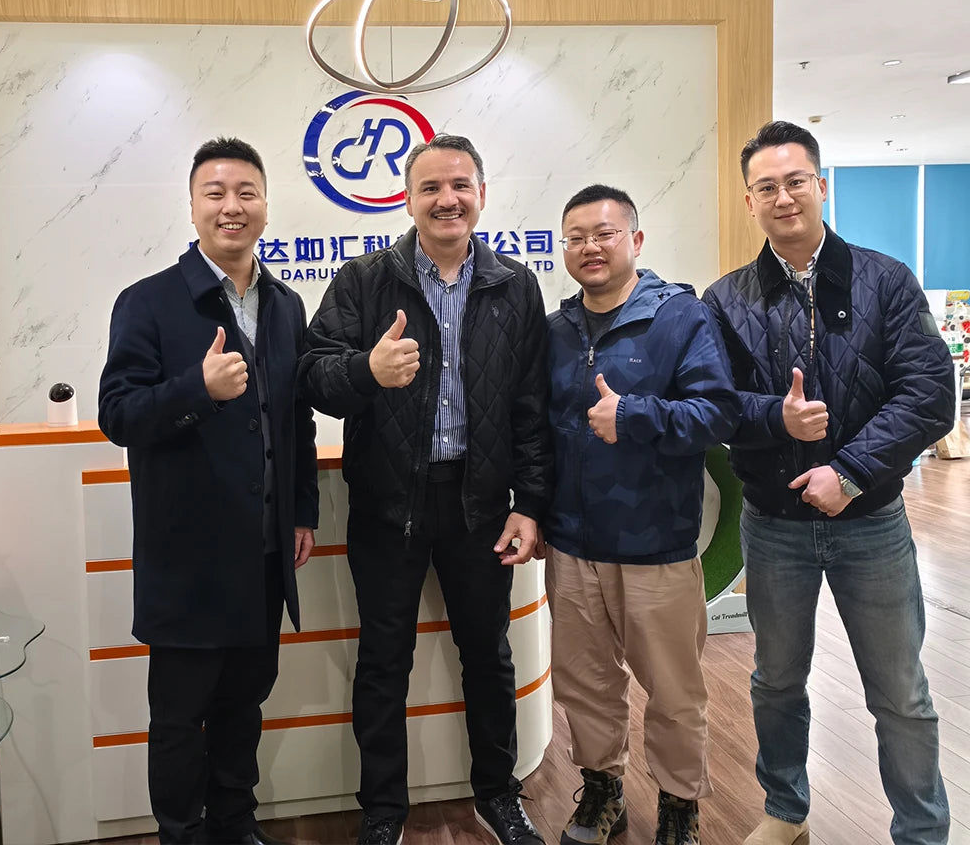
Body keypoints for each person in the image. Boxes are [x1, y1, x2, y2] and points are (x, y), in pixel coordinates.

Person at [703, 121, 955, 845]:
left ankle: (922, 832)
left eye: (795, 182)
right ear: (749, 201)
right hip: (773, 527)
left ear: (820, 186)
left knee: (901, 693)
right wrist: (777, 419)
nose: (783, 197)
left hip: (872, 524)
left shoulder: (886, 280)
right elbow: (715, 405)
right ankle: (786, 812)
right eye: (766, 187)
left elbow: (930, 395)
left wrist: (849, 472)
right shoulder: (726, 299)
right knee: (776, 682)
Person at [299, 133, 553, 845]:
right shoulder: (364, 280)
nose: (448, 200)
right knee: (384, 663)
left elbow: (531, 407)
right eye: (431, 188)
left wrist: (531, 504)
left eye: (461, 185)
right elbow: (313, 375)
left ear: (482, 195)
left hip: (482, 507)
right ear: (408, 200)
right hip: (388, 505)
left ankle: (498, 794)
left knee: (489, 657)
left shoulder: (513, 285)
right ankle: (383, 811)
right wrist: (366, 371)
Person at [98, 136, 319, 845]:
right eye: (215, 193)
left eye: (246, 192)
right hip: (186, 560)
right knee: (178, 717)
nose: (232, 207)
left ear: (266, 205)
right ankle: (181, 832)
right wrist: (197, 388)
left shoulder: (284, 305)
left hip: (263, 555)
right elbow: (118, 415)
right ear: (192, 206)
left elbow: (296, 419)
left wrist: (301, 511)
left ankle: (234, 819)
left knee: (243, 704)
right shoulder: (148, 302)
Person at [544, 185, 738, 845]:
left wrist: (633, 414)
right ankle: (603, 791)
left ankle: (681, 804)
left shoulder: (680, 318)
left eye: (604, 233)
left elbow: (717, 414)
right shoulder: (557, 331)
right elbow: (537, 431)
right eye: (575, 237)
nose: (590, 247)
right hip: (573, 545)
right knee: (584, 684)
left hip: (657, 544)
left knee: (675, 691)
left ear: (636, 239)